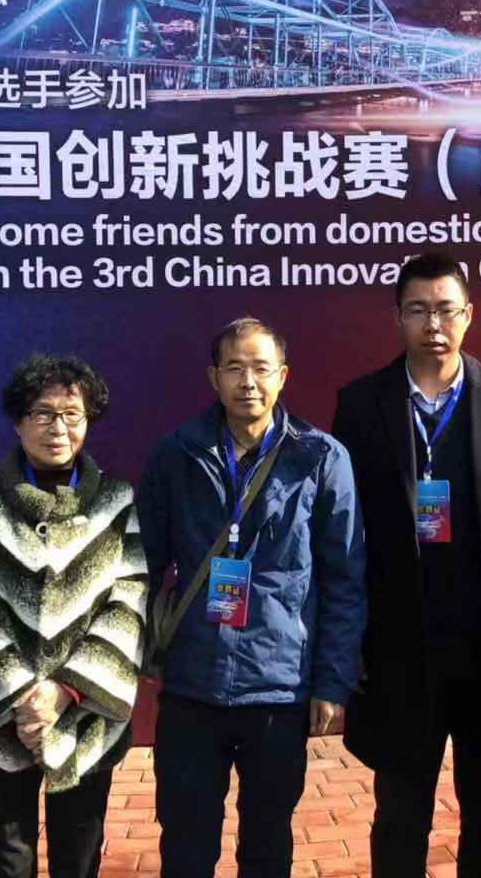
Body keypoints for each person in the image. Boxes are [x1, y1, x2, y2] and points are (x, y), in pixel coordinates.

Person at [333, 253, 481, 878]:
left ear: (468, 315)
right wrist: (346, 640)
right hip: (399, 646)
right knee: (400, 810)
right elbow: (343, 533)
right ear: (397, 318)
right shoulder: (361, 404)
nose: (432, 324)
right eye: (417, 310)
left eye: (444, 309)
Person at [138, 318, 366, 878]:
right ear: (213, 377)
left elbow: (344, 580)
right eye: (234, 368)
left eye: (261, 368)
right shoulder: (177, 454)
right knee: (185, 846)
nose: (248, 382)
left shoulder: (320, 457)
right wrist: (136, 654)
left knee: (267, 845)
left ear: (283, 376)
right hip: (193, 684)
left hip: (279, 689)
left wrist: (331, 682)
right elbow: (139, 566)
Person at [0, 353, 148, 878]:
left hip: (85, 720)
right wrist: (23, 701)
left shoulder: (116, 501)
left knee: (78, 861)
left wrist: (66, 692)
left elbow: (128, 601)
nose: (58, 427)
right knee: (5, 863)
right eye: (42, 413)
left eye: (72, 414)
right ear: (18, 421)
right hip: (1, 724)